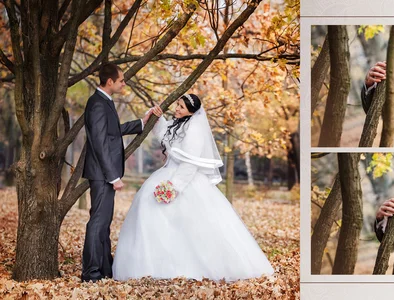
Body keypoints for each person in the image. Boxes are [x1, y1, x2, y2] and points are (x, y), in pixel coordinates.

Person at [112, 94, 274, 282]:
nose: (177, 109)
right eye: (178, 105)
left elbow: (190, 164)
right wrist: (157, 117)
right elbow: (164, 135)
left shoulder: (195, 129)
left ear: (192, 111)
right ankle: (152, 265)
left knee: (193, 225)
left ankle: (194, 267)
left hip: (185, 179)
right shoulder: (179, 123)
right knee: (148, 212)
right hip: (167, 173)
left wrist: (174, 187)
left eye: (181, 107)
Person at [81, 63, 161, 282]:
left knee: (103, 221)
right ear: (110, 82)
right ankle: (91, 273)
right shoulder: (97, 103)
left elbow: (112, 132)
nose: (124, 83)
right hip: (102, 173)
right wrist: (112, 176)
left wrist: (141, 122)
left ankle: (105, 268)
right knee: (98, 221)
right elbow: (98, 142)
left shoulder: (104, 101)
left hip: (103, 172)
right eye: (121, 80)